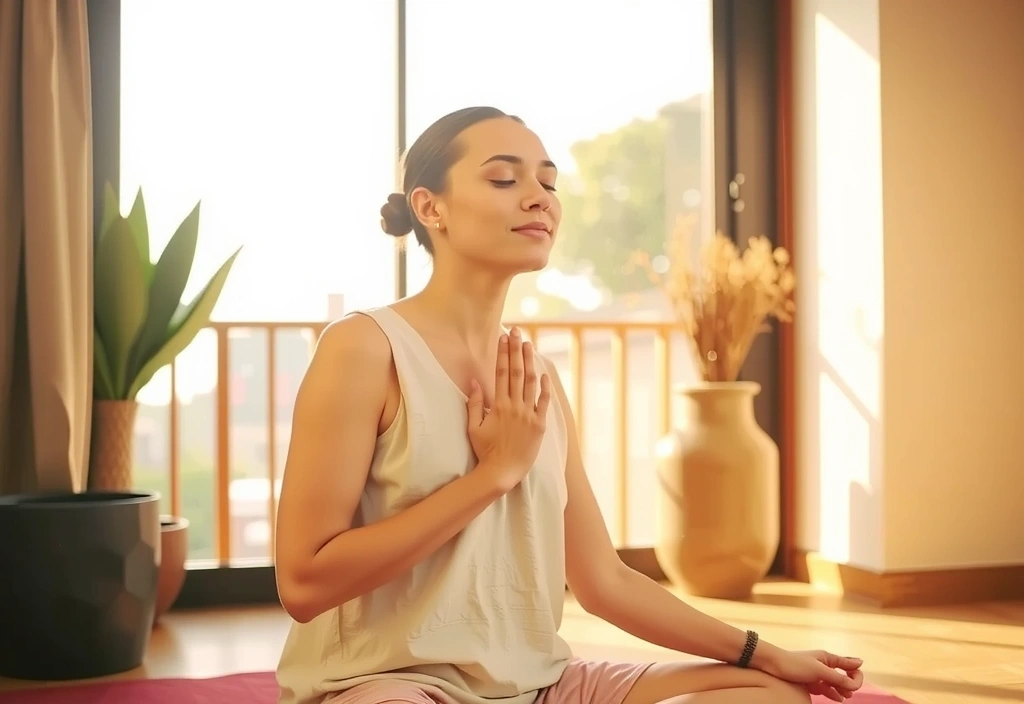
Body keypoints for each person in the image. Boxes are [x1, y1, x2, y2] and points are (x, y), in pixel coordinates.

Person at [273, 106, 864, 704]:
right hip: (391, 684)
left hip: (545, 686)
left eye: (549, 183)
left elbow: (603, 581)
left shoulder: (540, 379)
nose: (540, 199)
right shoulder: (364, 348)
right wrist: (493, 475)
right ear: (431, 208)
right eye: (505, 180)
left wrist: (767, 652)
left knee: (767, 694)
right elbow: (303, 582)